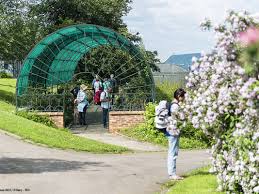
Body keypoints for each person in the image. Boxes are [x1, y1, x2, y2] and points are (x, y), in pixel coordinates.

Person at [166, 88, 186, 180]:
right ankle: (172, 174)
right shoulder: (175, 106)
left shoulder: (174, 104)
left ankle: (172, 173)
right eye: (183, 96)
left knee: (173, 151)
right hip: (173, 131)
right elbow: (179, 118)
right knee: (173, 152)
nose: (184, 98)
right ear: (178, 96)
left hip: (172, 130)